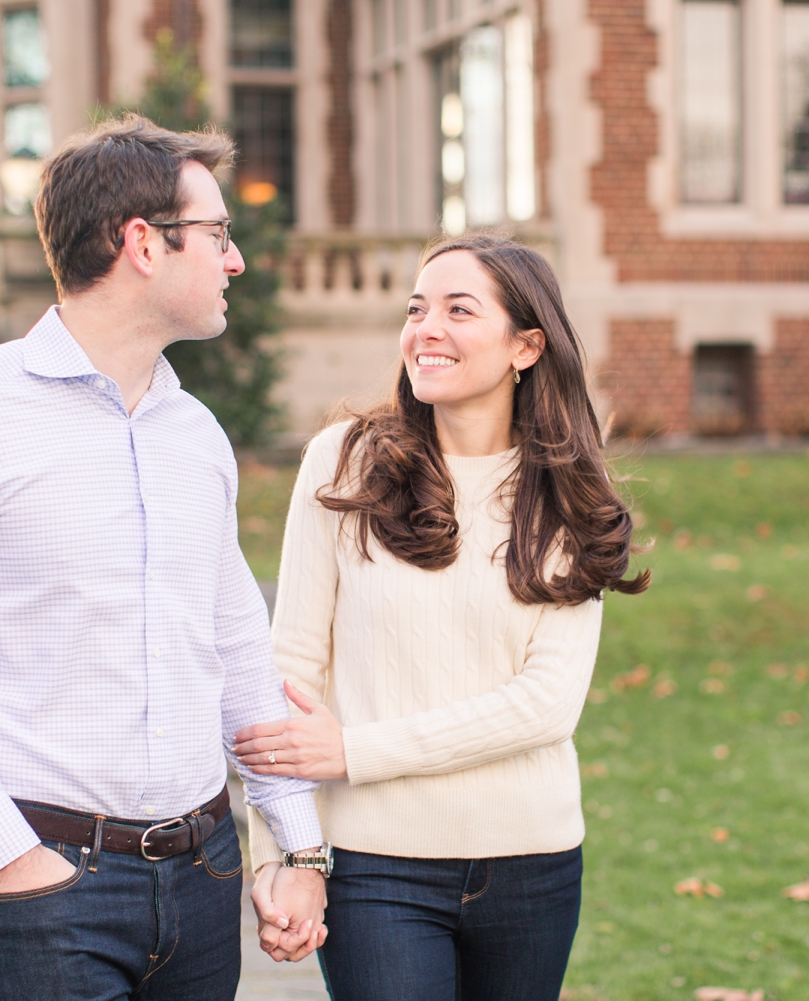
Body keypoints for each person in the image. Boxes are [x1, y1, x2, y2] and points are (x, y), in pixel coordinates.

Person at [0, 114, 329, 1001]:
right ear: (142, 243)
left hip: (208, 875)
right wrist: (4, 849)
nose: (236, 260)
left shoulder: (197, 434)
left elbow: (236, 649)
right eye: (218, 234)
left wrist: (297, 843)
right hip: (44, 886)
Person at [233, 235, 649, 1000]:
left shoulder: (568, 495)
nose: (427, 328)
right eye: (417, 308)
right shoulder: (342, 463)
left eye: (459, 310)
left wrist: (354, 749)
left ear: (527, 345)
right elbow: (287, 677)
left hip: (532, 864)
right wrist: (288, 856)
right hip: (372, 865)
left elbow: (545, 705)